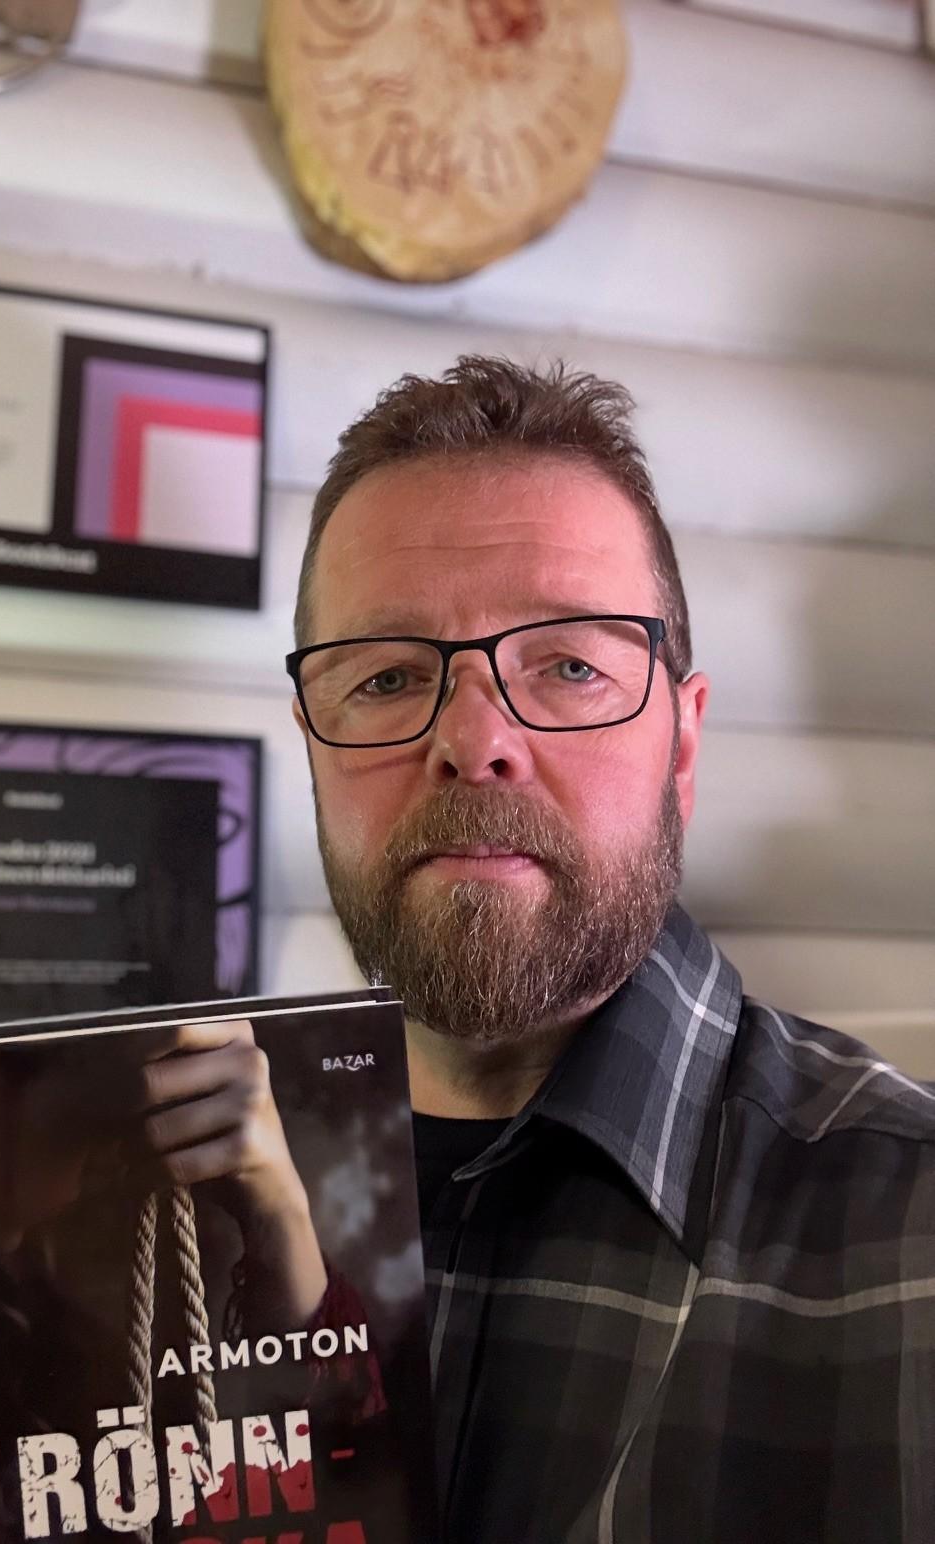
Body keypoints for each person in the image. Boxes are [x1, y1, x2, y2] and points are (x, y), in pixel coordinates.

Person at [285, 355, 935, 1544]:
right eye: (385, 676)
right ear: (312, 745)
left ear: (682, 742)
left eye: (572, 666)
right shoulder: (190, 1212)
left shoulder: (913, 1233)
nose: (475, 740)